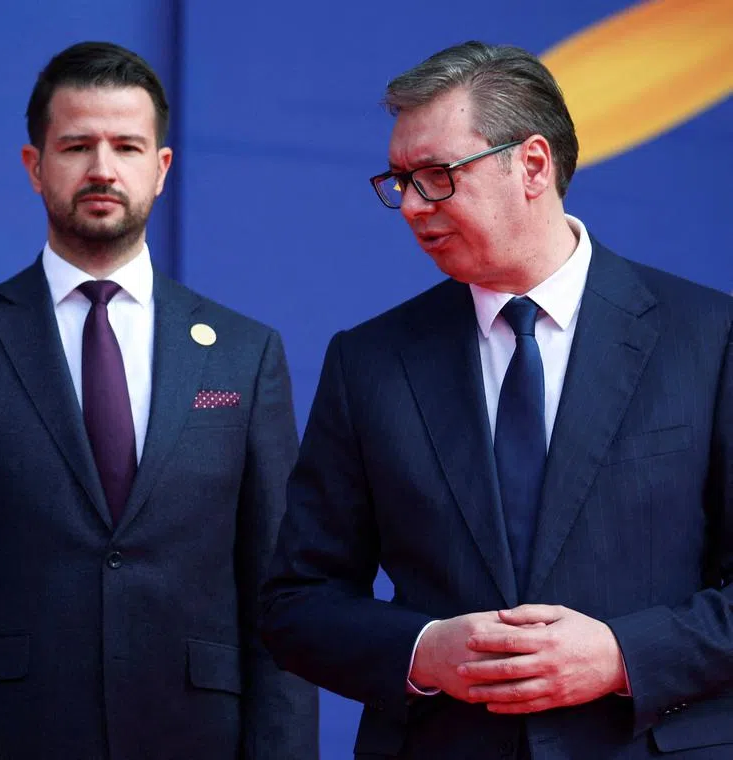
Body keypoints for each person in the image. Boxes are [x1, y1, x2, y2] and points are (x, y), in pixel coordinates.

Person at [259, 41, 733, 758]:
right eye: (399, 181)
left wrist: (621, 656)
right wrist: (423, 649)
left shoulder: (710, 337)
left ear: (533, 166)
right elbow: (296, 602)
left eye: (437, 176)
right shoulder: (370, 362)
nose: (413, 207)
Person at [0, 41, 317, 760]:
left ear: (162, 168)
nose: (102, 168)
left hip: (198, 737)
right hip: (14, 734)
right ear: (34, 166)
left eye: (126, 145)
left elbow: (279, 593)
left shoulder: (246, 354)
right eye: (76, 146)